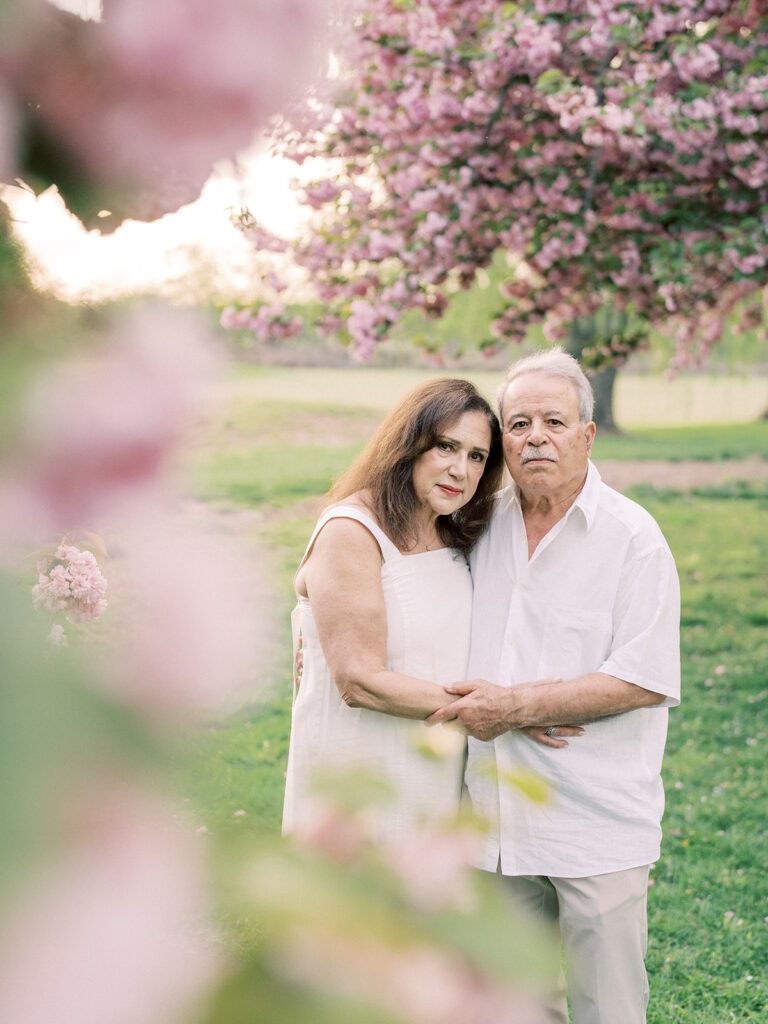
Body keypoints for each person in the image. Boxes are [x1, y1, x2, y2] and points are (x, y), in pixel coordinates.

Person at [428, 348, 681, 1024]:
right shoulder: (476, 525)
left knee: (609, 1009)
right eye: (518, 424)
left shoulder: (634, 540)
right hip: (494, 820)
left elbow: (644, 678)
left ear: (587, 434)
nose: (535, 436)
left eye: (553, 421)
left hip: (592, 822)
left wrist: (521, 705)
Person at [282, 378, 504, 844]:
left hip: (431, 770)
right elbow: (358, 680)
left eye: (476, 456)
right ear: (410, 443)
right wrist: (497, 709)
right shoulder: (353, 531)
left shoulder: (453, 536)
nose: (460, 469)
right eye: (446, 446)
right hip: (358, 773)